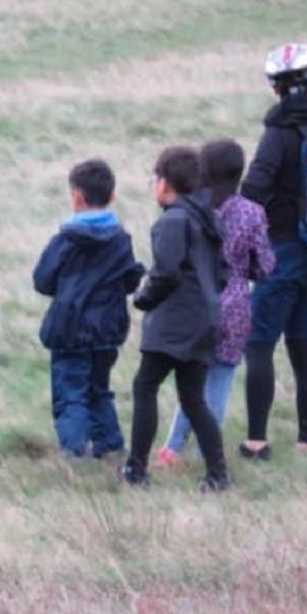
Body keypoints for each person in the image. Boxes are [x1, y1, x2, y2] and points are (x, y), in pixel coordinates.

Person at [239, 42, 307, 460]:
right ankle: (305, 442)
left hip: (282, 254)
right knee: (304, 349)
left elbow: (252, 190)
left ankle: (256, 441)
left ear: (275, 90)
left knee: (260, 346)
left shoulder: (277, 135)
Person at [158, 138, 273, 468]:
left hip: (194, 302)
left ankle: (171, 449)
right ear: (240, 173)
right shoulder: (252, 213)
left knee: (191, 383)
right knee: (219, 382)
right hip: (236, 305)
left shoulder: (191, 210)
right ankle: (206, 453)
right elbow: (264, 266)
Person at [122, 146, 228, 492]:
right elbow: (224, 273)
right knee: (193, 398)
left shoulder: (172, 221)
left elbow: (165, 273)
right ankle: (217, 475)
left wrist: (143, 299)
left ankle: (136, 470)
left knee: (145, 386)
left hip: (175, 320)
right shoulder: (209, 217)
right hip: (206, 319)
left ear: (165, 183)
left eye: (154, 179)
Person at [34, 159, 142, 459]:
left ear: (77, 196)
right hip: (107, 331)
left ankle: (73, 452)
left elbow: (42, 280)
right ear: (112, 196)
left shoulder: (66, 240)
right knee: (99, 390)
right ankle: (110, 445)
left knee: (71, 395)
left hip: (69, 330)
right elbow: (128, 281)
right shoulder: (121, 240)